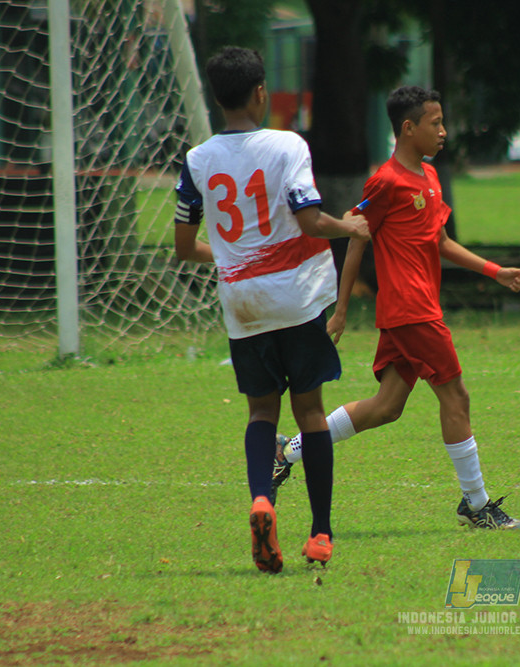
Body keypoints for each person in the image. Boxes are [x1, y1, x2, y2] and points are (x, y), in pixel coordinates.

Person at [273, 85, 520, 530]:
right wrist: (340, 309)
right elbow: (358, 234)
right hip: (412, 310)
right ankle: (476, 503)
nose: (444, 131)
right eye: (436, 123)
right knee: (457, 395)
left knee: (387, 405)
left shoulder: (430, 179)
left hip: (414, 310)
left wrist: (496, 271)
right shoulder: (386, 180)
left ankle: (287, 451)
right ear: (408, 128)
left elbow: (441, 241)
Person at [173, 46, 369, 572]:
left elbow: (184, 246)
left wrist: (237, 259)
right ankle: (321, 533)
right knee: (309, 413)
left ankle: (262, 498)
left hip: (243, 304)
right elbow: (309, 220)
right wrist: (349, 226)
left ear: (217, 97)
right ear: (261, 92)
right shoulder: (287, 145)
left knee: (262, 412)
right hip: (296, 298)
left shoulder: (196, 161)